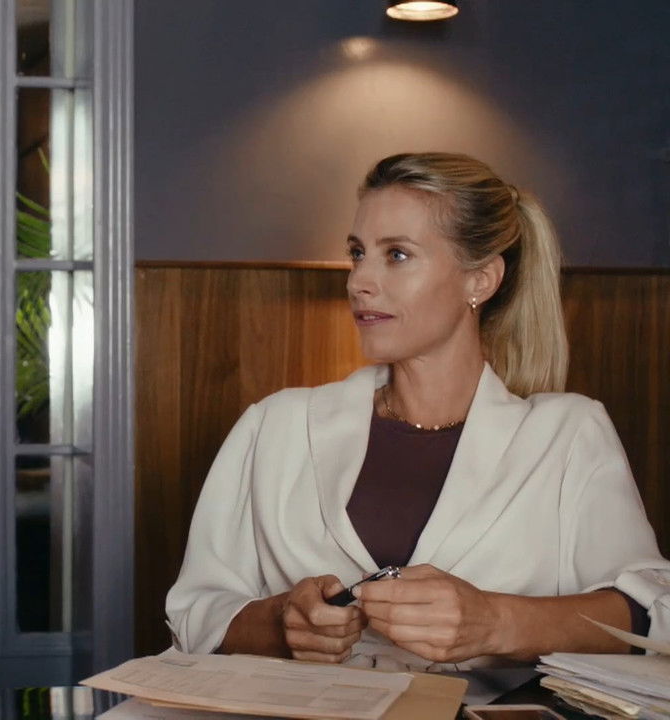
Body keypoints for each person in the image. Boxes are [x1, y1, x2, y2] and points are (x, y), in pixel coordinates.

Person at [165, 152, 670, 671]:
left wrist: (495, 621)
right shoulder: (276, 425)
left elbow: (651, 613)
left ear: (480, 281)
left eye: (397, 255)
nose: (358, 281)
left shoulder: (567, 434)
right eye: (357, 253)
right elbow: (194, 615)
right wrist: (279, 624)